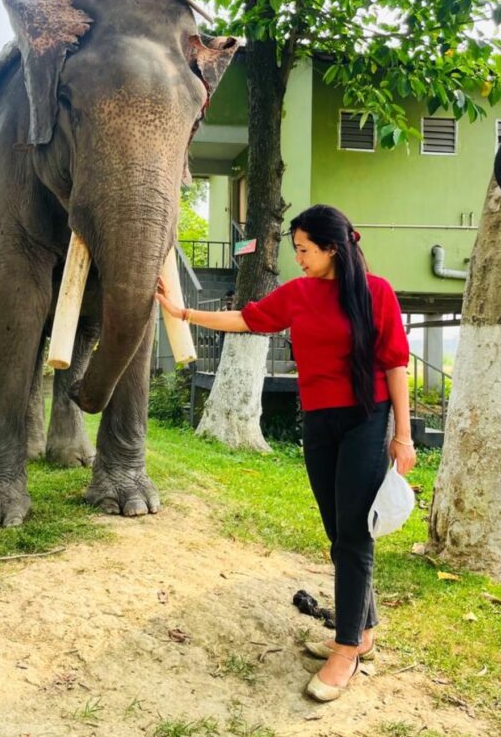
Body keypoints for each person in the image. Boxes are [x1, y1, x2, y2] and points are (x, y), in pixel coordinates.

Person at [156, 204, 416, 704]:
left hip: (366, 418)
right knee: (337, 528)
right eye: (294, 249)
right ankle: (366, 630)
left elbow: (395, 364)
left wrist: (401, 435)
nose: (297, 258)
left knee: (355, 532)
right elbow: (247, 318)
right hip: (318, 421)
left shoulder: (375, 292)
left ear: (331, 247)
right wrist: (183, 312)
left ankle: (346, 648)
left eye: (303, 249)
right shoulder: (298, 294)